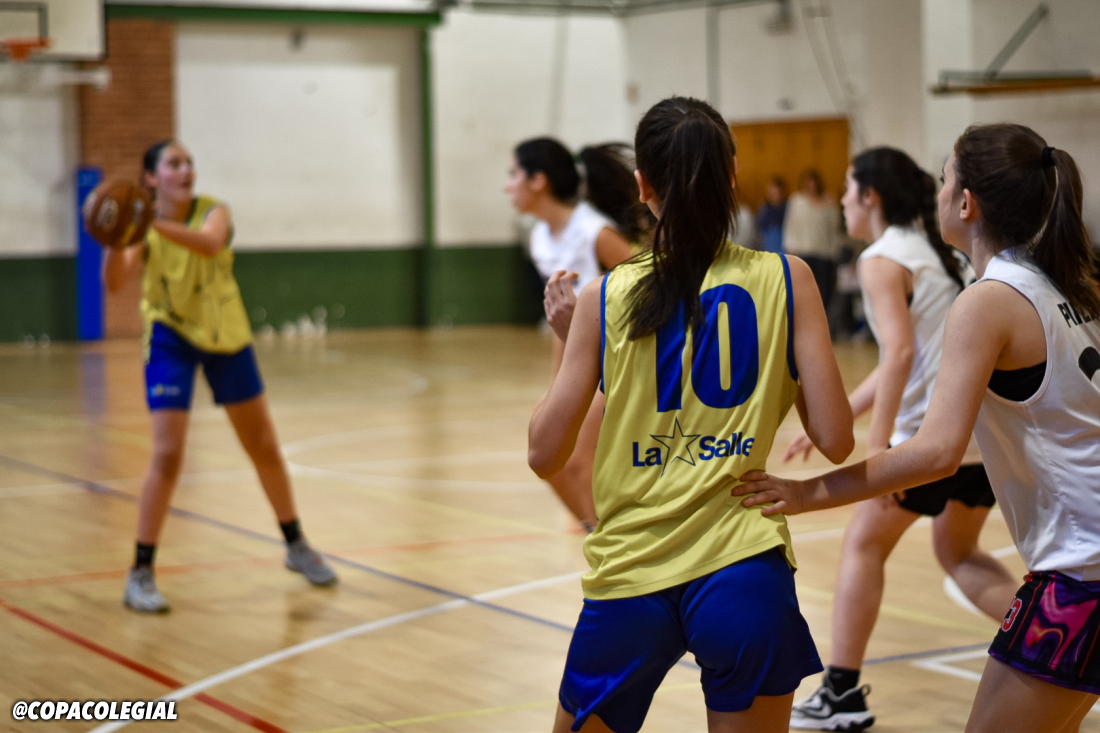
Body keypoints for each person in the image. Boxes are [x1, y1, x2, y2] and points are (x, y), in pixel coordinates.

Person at [735, 124, 1100, 733]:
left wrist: (805, 494)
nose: (935, 194)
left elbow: (935, 451)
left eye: (943, 180)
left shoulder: (990, 300)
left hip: (1082, 574)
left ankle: (841, 690)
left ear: (966, 203)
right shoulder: (1074, 289)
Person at [529, 96, 854, 733]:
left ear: (642, 186)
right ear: (732, 176)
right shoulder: (791, 279)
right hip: (744, 565)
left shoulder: (605, 295)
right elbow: (837, 439)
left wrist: (571, 343)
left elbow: (545, 455)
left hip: (632, 570)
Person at [784, 147, 1017, 731]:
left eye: (847, 188)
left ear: (871, 197)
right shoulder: (937, 251)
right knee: (958, 553)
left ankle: (840, 692)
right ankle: (1058, 645)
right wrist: (848, 413)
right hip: (978, 438)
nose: (840, 201)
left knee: (863, 544)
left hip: (930, 439)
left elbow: (901, 354)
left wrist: (879, 445)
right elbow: (905, 360)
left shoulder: (883, 257)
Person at [104, 140, 337, 613]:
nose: (185, 169)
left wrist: (150, 225)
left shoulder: (214, 211)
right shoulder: (142, 226)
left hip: (226, 336)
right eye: (173, 164)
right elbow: (114, 282)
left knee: (263, 446)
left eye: (188, 162)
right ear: (151, 178)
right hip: (170, 338)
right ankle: (141, 571)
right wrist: (112, 240)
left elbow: (210, 244)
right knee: (167, 454)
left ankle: (295, 543)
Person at [505, 138, 638, 531]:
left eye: (513, 174)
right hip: (585, 361)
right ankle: (596, 530)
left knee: (578, 455)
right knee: (544, 441)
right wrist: (557, 385)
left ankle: (610, 539)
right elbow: (561, 324)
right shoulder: (541, 239)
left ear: (538, 180)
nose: (506, 185)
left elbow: (650, 286)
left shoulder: (594, 232)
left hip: (621, 359)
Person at [784, 170, 841, 311]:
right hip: (802, 253)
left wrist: (834, 252)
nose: (811, 187)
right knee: (802, 293)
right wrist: (790, 247)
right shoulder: (796, 201)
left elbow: (834, 230)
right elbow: (789, 226)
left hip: (824, 254)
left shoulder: (829, 202)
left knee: (825, 293)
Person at [756, 177, 788, 254]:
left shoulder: (788, 208)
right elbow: (759, 231)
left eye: (776, 193)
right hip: (767, 249)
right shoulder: (764, 209)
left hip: (785, 249)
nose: (773, 195)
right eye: (770, 193)